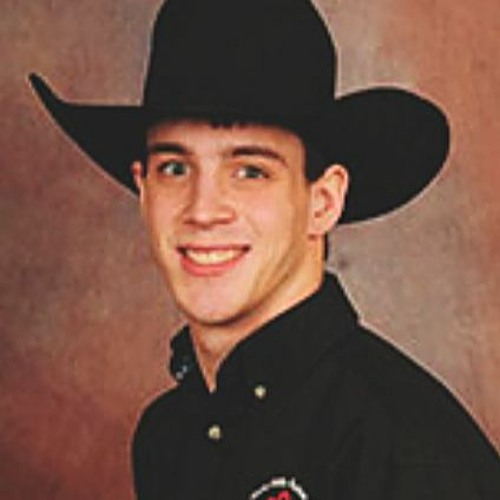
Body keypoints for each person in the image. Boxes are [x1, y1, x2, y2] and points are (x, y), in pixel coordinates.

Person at [29, 0, 500, 498]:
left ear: (322, 202)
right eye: (175, 168)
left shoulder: (406, 453)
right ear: (144, 192)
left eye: (250, 171)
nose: (203, 210)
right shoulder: (167, 438)